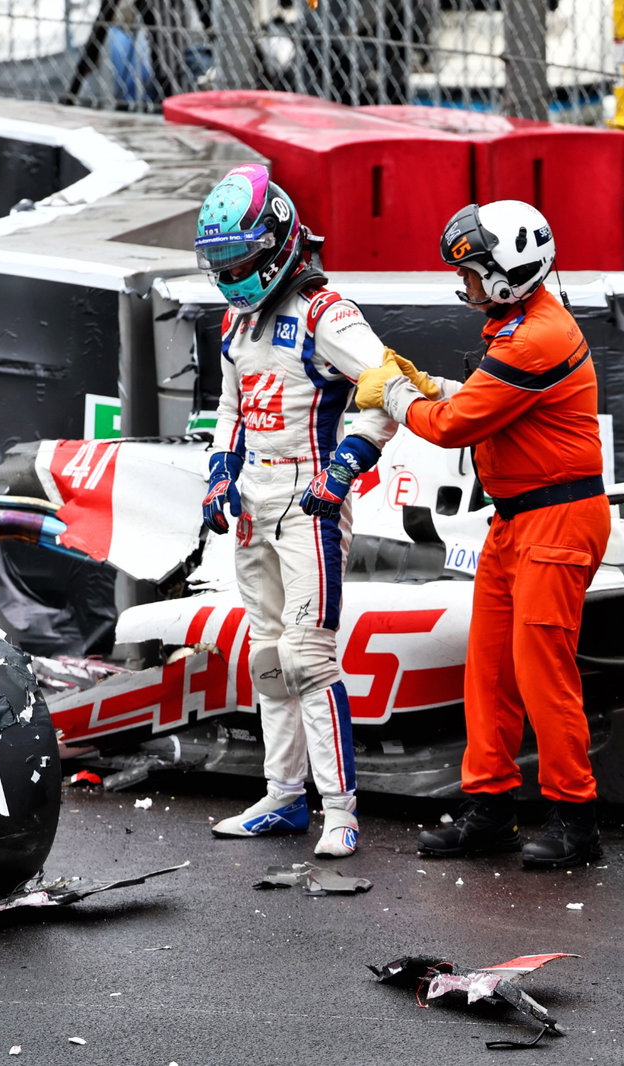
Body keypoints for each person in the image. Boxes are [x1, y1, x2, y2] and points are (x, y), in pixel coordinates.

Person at [356, 200, 610, 870]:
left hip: (556, 520)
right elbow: (478, 398)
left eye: (471, 271)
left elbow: (450, 426)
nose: (464, 283)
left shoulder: (534, 338)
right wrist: (421, 384)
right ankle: (490, 811)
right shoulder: (522, 326)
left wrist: (394, 396)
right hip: (518, 519)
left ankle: (574, 823)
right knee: (490, 672)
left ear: (506, 274)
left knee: (540, 673)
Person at [195, 163, 396, 859]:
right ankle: (283, 797)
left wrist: (345, 467)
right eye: (217, 261)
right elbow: (229, 406)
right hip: (252, 502)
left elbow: (386, 383)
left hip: (309, 503)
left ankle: (339, 809)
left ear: (275, 242)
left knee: (310, 657)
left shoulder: (323, 311)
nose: (227, 273)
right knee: (269, 659)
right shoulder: (236, 319)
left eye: (237, 259)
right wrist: (219, 474)